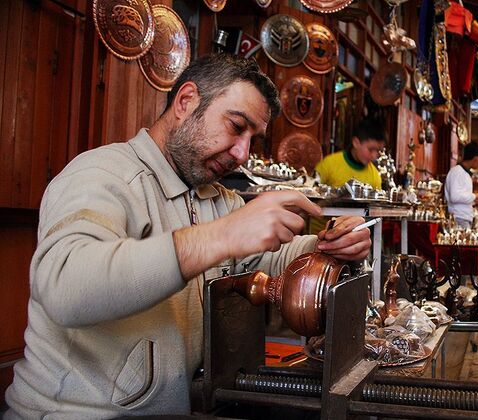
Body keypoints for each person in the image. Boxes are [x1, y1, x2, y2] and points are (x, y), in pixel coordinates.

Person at [3, 54, 371, 419]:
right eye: (236, 126)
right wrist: (220, 237)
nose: (242, 154)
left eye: (252, 139)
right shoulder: (101, 174)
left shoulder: (217, 198)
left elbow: (270, 258)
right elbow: (65, 288)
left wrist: (329, 246)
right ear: (185, 101)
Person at [314, 116, 386, 189]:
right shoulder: (329, 164)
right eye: (370, 149)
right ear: (356, 143)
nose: (374, 156)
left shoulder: (375, 176)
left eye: (378, 151)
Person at [444, 141, 478, 229]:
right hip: (458, 218)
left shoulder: (465, 173)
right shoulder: (457, 172)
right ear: (476, 158)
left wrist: (473, 200)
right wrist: (475, 196)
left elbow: (462, 196)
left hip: (464, 217)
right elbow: (454, 197)